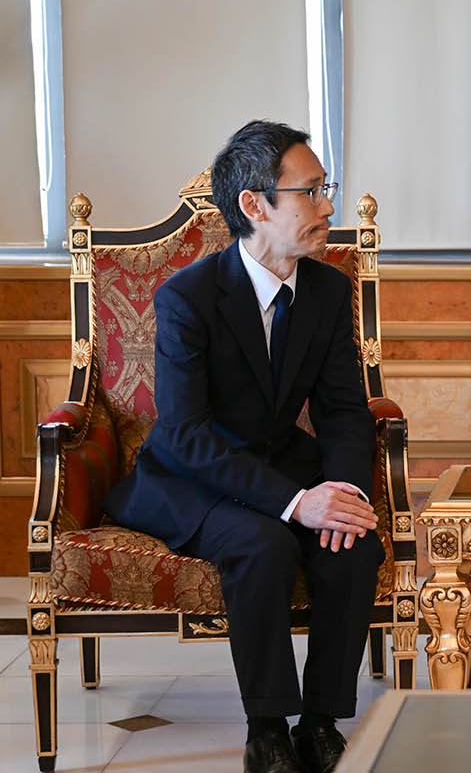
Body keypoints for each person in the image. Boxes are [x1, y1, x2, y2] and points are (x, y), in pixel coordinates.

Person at [103, 120, 382, 773]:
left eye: (325, 188)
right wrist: (294, 503)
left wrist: (339, 492)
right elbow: (182, 435)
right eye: (310, 192)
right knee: (263, 543)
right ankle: (266, 729)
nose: (328, 205)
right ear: (254, 206)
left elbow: (343, 412)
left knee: (352, 541)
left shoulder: (328, 290)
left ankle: (319, 722)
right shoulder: (187, 298)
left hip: (279, 461)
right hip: (189, 476)